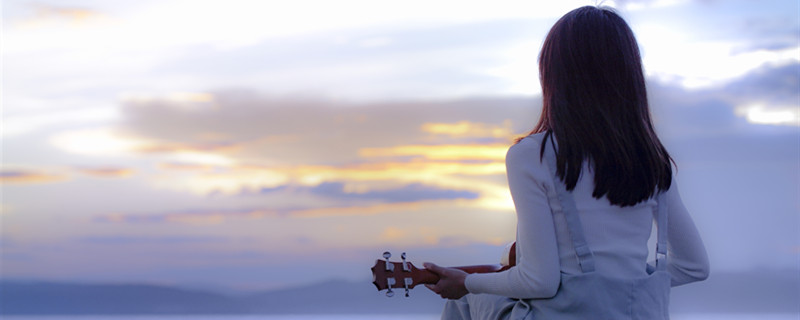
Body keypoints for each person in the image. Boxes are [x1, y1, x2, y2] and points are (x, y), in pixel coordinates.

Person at [423, 6, 710, 320]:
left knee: (464, 301)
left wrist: (467, 282)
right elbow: (694, 266)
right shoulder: (653, 161)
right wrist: (623, 281)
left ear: (554, 75)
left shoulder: (533, 155)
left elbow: (539, 281)